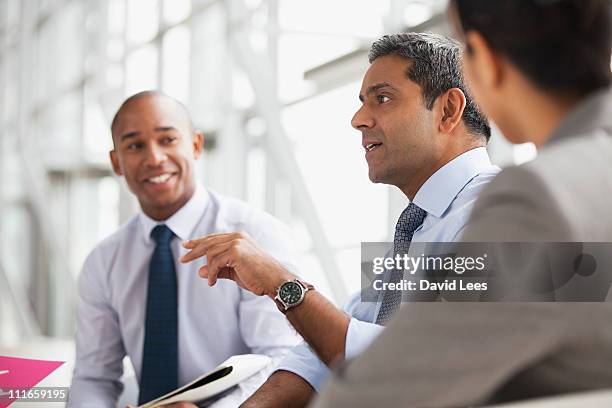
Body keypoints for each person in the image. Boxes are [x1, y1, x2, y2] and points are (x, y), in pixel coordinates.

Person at [311, 1, 612, 407]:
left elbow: (387, 389)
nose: (358, 120)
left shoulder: (541, 200)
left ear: (484, 60)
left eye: (381, 99)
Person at [180, 33, 498, 408]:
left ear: (448, 110)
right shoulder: (415, 229)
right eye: (362, 103)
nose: (358, 120)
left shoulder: (502, 214)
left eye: (382, 98)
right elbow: (325, 356)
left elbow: (417, 366)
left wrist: (281, 283)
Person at [68, 91, 302, 408]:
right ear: (116, 162)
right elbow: (93, 378)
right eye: (135, 145)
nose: (154, 158)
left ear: (195, 145)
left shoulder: (257, 234)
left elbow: (281, 359)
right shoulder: (103, 262)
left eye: (167, 140)